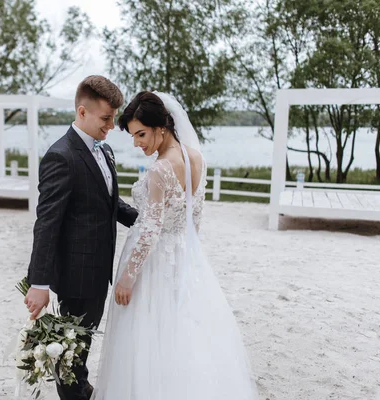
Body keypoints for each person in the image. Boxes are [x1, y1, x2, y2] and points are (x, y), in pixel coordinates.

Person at [93, 91, 258, 400]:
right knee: (181, 330)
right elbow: (196, 217)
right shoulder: (196, 157)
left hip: (151, 264)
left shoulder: (160, 170)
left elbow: (151, 229)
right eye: (132, 136)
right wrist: (187, 255)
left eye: (141, 134)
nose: (137, 143)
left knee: (147, 336)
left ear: (162, 128)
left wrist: (128, 276)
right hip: (182, 254)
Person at [24, 75, 139, 400]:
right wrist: (40, 283)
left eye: (114, 118)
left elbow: (107, 200)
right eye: (106, 118)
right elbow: (46, 223)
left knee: (80, 348)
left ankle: (82, 388)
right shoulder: (61, 156)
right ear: (82, 112)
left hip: (99, 272)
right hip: (76, 277)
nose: (112, 126)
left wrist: (142, 222)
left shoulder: (101, 149)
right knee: (69, 356)